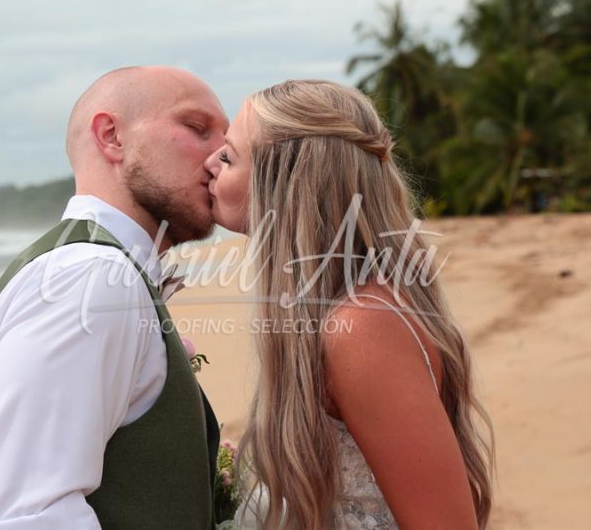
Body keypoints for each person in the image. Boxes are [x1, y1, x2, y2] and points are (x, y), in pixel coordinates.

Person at [204, 79, 494, 529]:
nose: (209, 163)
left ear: (285, 184)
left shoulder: (361, 327)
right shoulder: (333, 310)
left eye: (227, 156)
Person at [0, 66, 228, 530]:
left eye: (226, 139)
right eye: (197, 127)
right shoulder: (91, 275)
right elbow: (24, 515)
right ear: (111, 137)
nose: (221, 154)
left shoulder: (106, 270)